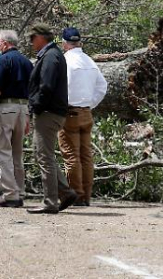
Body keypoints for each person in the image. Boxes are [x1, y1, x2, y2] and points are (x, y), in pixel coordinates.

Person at [26, 23, 77, 214]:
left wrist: (35, 107)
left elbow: (45, 87)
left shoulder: (50, 56)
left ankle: (50, 202)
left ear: (41, 37)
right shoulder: (53, 54)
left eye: (32, 38)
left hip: (47, 113)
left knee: (45, 157)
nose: (31, 43)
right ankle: (65, 192)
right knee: (44, 155)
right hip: (51, 112)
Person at [0, 30, 33, 208]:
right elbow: (32, 91)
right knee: (17, 153)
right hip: (22, 109)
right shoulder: (27, 63)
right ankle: (19, 190)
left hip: (5, 108)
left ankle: (10, 194)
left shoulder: (2, 61)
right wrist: (28, 115)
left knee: (2, 152)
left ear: (3, 43)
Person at [58, 28, 107, 206]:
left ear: (64, 43)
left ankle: (76, 196)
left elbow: (61, 87)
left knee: (71, 156)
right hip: (86, 112)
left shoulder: (64, 61)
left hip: (69, 112)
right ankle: (86, 195)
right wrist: (89, 104)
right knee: (85, 156)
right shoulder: (90, 61)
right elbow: (102, 86)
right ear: (79, 42)